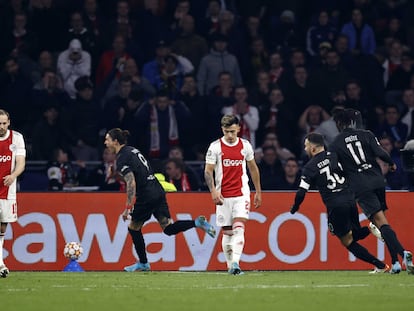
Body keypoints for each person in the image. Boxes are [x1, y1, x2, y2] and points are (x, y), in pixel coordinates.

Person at [104, 128, 216, 272]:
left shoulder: (122, 158)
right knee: (168, 228)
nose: (105, 142)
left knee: (133, 228)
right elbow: (137, 176)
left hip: (146, 196)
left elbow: (131, 182)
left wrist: (127, 207)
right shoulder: (132, 151)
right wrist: (116, 176)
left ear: (115, 141)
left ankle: (143, 263)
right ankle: (197, 223)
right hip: (157, 190)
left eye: (107, 139)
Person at [329, 108, 414, 274]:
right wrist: (390, 163)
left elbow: (333, 167)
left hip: (361, 186)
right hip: (377, 180)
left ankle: (403, 253)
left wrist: (346, 176)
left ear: (339, 123)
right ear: (351, 122)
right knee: (381, 222)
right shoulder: (366, 134)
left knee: (381, 222)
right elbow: (380, 152)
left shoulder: (335, 143)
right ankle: (395, 263)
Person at [290, 133, 389, 273]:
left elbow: (301, 192)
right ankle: (370, 230)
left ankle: (380, 265)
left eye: (306, 146)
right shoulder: (336, 156)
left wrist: (295, 207)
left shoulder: (310, 167)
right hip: (350, 200)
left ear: (313, 148)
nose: (305, 149)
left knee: (347, 241)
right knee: (354, 234)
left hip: (336, 205)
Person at [204, 115, 262, 275]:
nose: (230, 135)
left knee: (239, 228)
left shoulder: (245, 145)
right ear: (222, 130)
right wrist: (213, 191)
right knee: (227, 232)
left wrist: (258, 191)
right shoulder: (215, 147)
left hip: (241, 194)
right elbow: (208, 171)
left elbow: (253, 168)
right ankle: (231, 266)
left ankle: (236, 262)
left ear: (238, 129)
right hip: (223, 196)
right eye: (226, 131)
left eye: (232, 131)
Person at [0, 109, 26, 278]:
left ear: (8, 122)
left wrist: (13, 175)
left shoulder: (16, 138)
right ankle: (1, 264)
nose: (1, 126)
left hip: (7, 192)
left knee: (2, 227)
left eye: (4, 123)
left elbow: (21, 162)